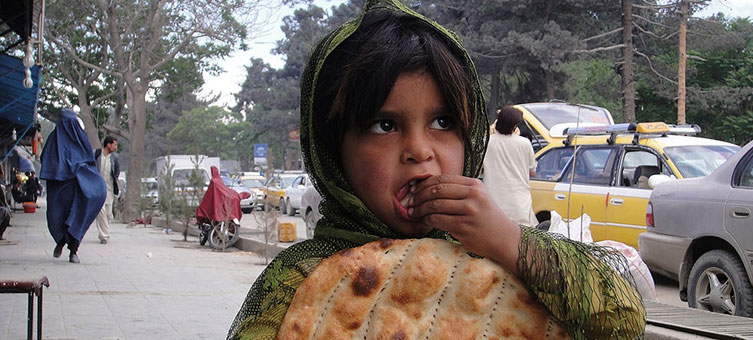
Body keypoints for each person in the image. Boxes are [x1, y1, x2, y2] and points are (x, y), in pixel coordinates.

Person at [227, 1, 645, 339]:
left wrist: (511, 241)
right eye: (384, 125)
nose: (419, 151)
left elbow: (624, 318)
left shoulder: (504, 255)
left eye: (443, 123)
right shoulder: (300, 279)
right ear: (335, 149)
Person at [40, 108, 106, 264]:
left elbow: (88, 160)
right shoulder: (53, 140)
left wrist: (78, 168)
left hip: (78, 186)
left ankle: (73, 251)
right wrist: (59, 169)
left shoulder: (80, 137)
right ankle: (61, 241)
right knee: (57, 217)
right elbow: (46, 160)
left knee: (77, 215)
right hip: (59, 188)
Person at [483, 105, 538, 226]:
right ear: (514, 125)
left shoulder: (487, 142)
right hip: (520, 206)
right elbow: (532, 172)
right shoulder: (525, 143)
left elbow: (478, 170)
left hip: (494, 207)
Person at [93, 136, 120, 244]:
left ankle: (104, 230)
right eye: (114, 145)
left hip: (109, 188)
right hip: (98, 187)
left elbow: (116, 171)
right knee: (101, 210)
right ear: (108, 145)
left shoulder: (114, 158)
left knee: (108, 212)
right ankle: (104, 235)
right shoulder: (97, 154)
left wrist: (114, 179)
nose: (116, 147)